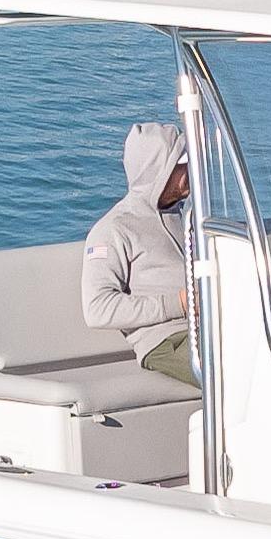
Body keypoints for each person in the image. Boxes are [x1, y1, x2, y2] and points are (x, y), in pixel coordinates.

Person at [81, 120, 195, 387]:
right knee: (239, 366)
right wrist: (179, 302)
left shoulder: (187, 217)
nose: (192, 170)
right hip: (165, 341)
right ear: (160, 169)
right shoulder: (114, 229)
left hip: (207, 328)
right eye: (183, 164)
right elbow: (97, 309)